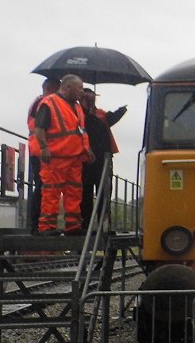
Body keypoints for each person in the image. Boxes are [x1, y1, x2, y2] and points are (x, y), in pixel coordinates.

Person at [32, 74, 93, 234]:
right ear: (67, 87)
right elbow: (39, 128)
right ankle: (47, 227)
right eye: (79, 88)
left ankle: (73, 226)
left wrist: (87, 149)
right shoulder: (49, 103)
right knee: (51, 192)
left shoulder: (78, 107)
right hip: (55, 157)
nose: (82, 92)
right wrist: (44, 147)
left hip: (75, 157)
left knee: (74, 192)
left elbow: (80, 130)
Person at [79, 87, 127, 228]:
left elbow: (109, 120)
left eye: (92, 97)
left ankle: (104, 225)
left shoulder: (101, 114)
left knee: (105, 193)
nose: (91, 100)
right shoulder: (78, 114)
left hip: (103, 159)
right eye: (87, 98)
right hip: (84, 159)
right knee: (85, 194)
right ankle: (85, 225)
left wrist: (120, 112)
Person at [26, 77, 60, 233]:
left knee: (43, 187)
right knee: (42, 187)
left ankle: (38, 224)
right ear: (50, 88)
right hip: (40, 149)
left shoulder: (39, 102)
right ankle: (36, 224)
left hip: (39, 148)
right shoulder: (44, 103)